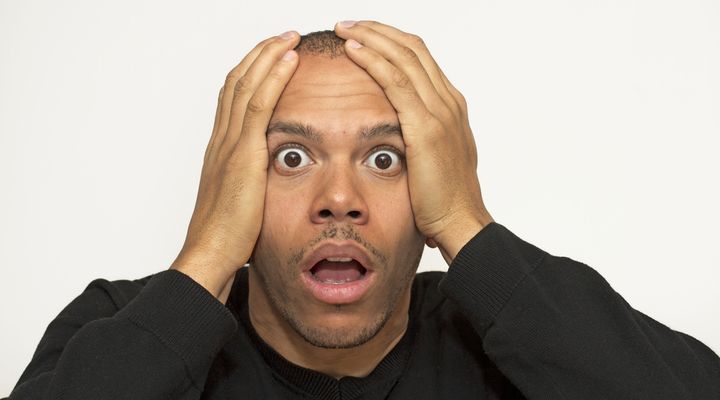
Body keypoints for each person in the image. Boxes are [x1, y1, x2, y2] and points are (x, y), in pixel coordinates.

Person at [5, 21, 719, 400]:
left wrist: (469, 228)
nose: (340, 200)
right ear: (235, 182)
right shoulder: (118, 328)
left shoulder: (509, 342)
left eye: (384, 159)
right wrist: (209, 255)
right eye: (292, 157)